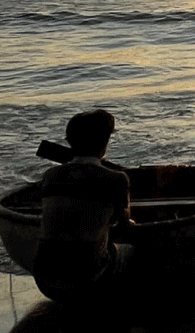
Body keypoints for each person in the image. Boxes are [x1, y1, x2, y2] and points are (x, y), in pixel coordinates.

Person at [33, 109, 135, 303]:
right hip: (87, 281)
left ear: (70, 142)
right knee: (129, 250)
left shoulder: (50, 176)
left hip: (44, 279)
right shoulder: (117, 179)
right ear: (105, 144)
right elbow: (125, 227)